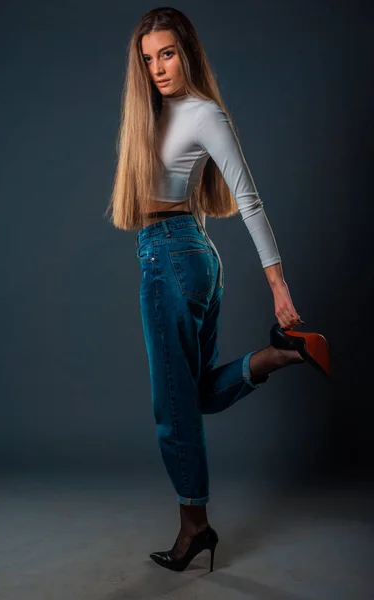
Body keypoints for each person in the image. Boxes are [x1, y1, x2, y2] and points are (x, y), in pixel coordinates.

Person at [104, 7, 330, 573]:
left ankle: (194, 527)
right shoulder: (150, 114)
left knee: (172, 407)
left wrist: (278, 285)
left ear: (188, 52)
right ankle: (281, 353)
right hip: (186, 255)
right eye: (148, 58)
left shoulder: (203, 114)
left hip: (173, 256)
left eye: (168, 53)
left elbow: (248, 197)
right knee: (199, 393)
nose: (158, 67)